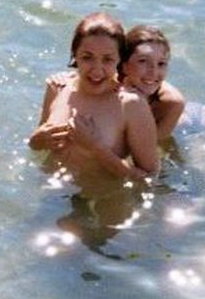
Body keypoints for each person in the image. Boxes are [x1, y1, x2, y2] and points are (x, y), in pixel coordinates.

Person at [29, 12, 159, 180]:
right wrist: (37, 140)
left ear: (120, 60)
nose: (97, 70)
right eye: (87, 57)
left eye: (108, 59)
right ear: (75, 55)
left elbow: (149, 179)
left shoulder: (131, 104)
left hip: (104, 194)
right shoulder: (58, 88)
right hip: (52, 189)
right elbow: (37, 145)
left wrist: (96, 148)